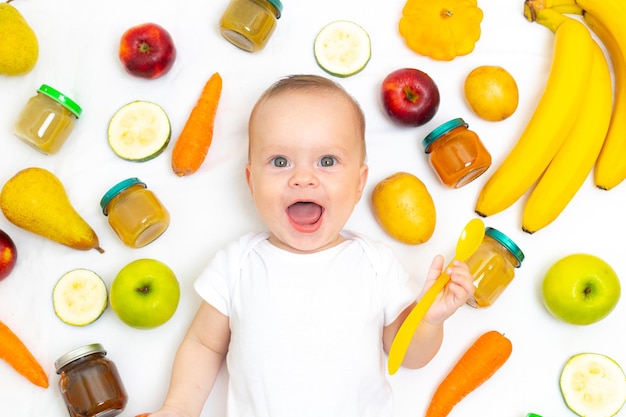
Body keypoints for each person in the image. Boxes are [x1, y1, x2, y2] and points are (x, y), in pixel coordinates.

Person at [146, 74, 475, 417]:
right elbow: (203, 344)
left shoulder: (375, 263)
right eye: (280, 162)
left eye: (327, 161)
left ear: (359, 182)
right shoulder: (237, 263)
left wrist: (430, 321)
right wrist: (178, 407)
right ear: (251, 181)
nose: (303, 177)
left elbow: (407, 356)